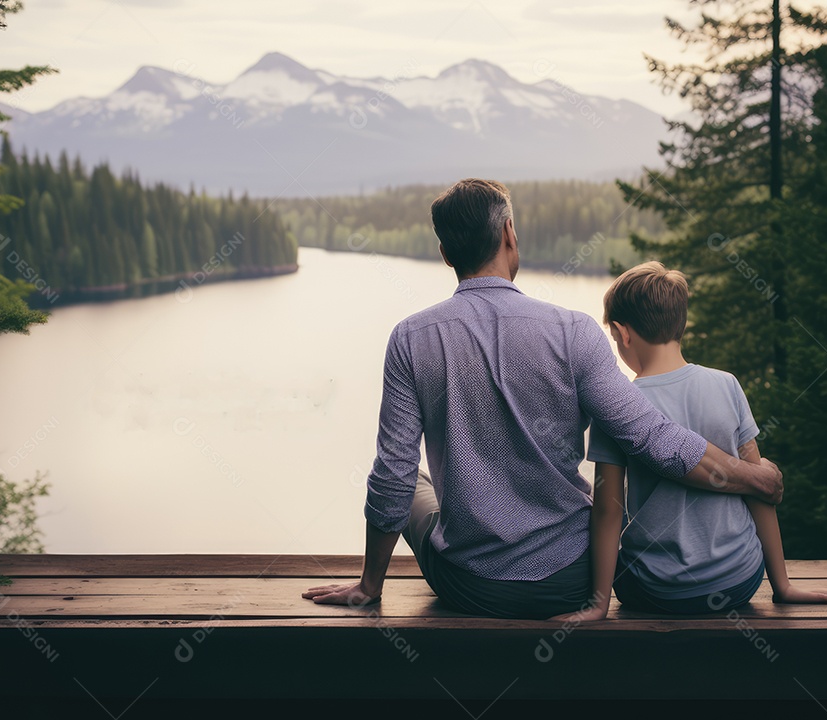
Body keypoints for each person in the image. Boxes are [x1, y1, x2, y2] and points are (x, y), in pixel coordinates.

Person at [303, 179, 784, 619]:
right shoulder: (574, 332)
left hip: (471, 586)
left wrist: (370, 585)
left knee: (410, 483)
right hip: (571, 580)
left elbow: (391, 475)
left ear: (446, 254)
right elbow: (653, 439)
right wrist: (754, 479)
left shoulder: (411, 338)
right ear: (509, 234)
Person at [584, 261, 827, 618]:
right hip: (737, 580)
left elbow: (608, 511)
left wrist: (599, 605)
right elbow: (757, 485)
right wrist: (783, 586)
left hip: (657, 589)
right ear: (680, 324)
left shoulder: (619, 406)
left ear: (623, 332)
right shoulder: (726, 385)